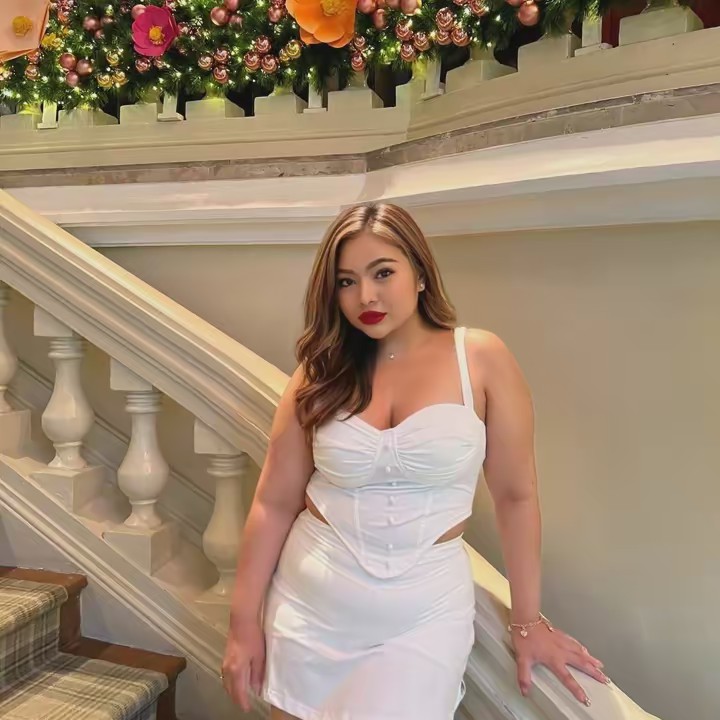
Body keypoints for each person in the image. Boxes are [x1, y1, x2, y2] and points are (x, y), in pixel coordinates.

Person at [221, 203, 608, 719]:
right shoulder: (320, 371)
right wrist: (243, 623)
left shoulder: (481, 359)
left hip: (421, 618)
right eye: (347, 281)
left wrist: (528, 621)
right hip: (309, 608)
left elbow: (516, 497)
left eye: (383, 272)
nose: (366, 296)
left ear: (420, 273)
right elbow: (273, 502)